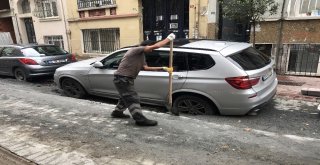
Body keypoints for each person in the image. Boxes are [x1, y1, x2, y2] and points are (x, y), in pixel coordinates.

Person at [111, 33, 175, 126]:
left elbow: (145, 67)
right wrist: (168, 38)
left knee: (125, 97)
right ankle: (140, 119)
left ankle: (117, 112)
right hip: (122, 78)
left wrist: (163, 68)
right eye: (151, 49)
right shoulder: (136, 49)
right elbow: (157, 45)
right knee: (132, 98)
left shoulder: (141, 56)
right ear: (147, 46)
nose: (152, 50)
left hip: (124, 79)